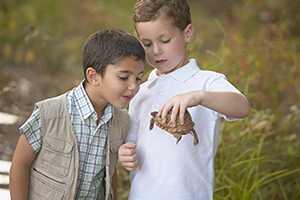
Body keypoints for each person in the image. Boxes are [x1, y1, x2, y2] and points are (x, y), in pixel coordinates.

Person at [118, 0, 251, 200]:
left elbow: (242, 107)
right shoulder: (140, 92)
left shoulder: (206, 82)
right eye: (147, 44)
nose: (156, 51)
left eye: (165, 40)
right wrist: (125, 154)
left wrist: (198, 96)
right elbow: (132, 143)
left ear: (187, 33)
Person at [9, 29, 145, 200]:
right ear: (93, 76)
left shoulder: (122, 121)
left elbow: (109, 175)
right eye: (124, 77)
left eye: (138, 78)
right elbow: (20, 165)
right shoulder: (49, 113)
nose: (134, 86)